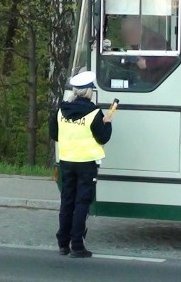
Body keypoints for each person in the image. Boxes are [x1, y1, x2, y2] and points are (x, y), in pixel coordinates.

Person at [49, 71, 113, 258]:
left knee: (67, 201)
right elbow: (103, 137)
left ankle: (63, 243)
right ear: (89, 92)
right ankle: (77, 244)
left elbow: (54, 134)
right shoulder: (94, 113)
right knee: (82, 203)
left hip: (67, 161)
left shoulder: (61, 111)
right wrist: (107, 122)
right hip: (86, 163)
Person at [121, 16, 177, 84]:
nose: (126, 36)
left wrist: (147, 63)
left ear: (137, 28)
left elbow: (170, 58)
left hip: (156, 82)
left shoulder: (155, 40)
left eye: (128, 32)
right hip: (141, 79)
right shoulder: (137, 41)